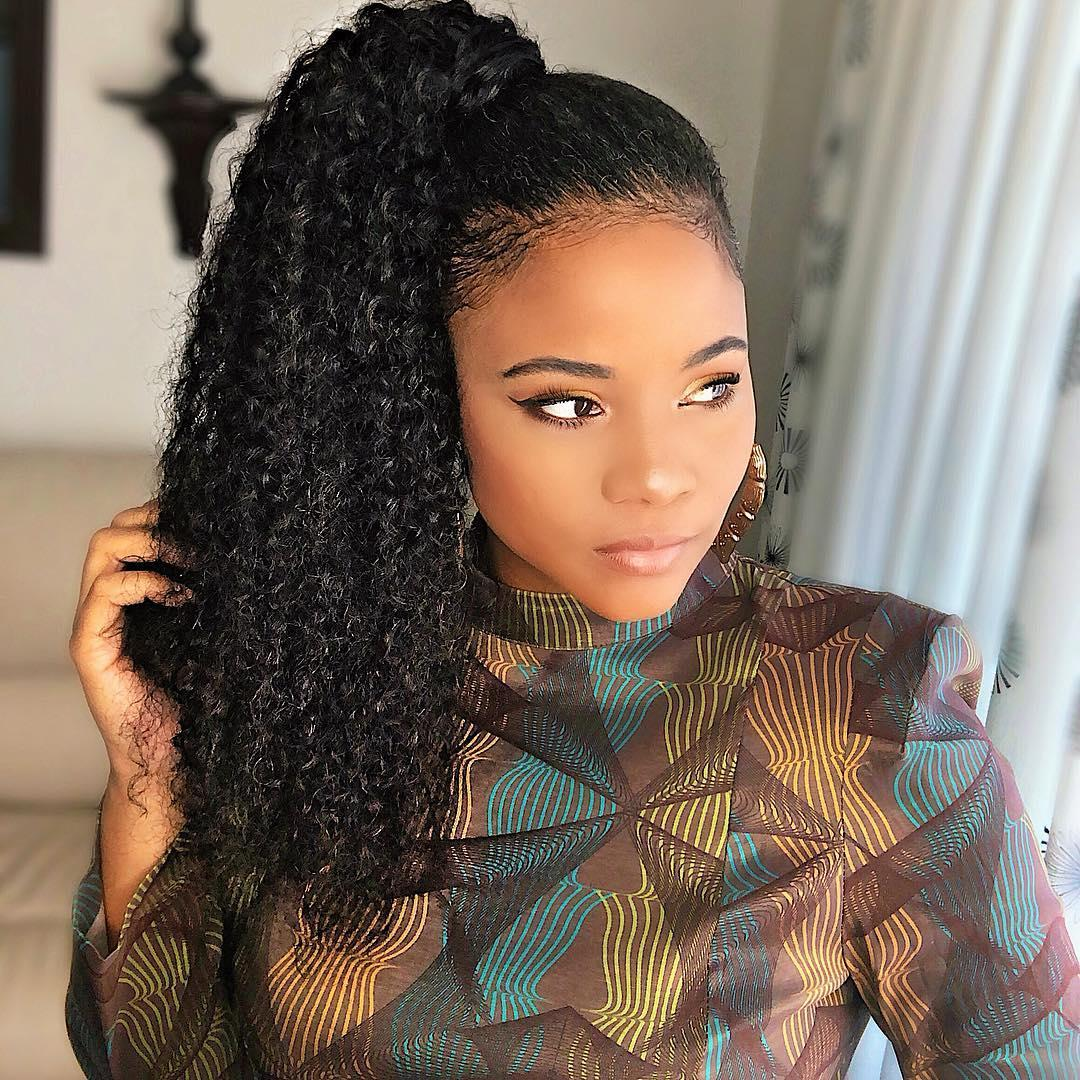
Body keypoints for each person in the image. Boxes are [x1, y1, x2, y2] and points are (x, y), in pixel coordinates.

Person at [63, 1, 1080, 1077]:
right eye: (567, 403)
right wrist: (147, 772)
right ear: (425, 400)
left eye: (711, 385)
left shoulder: (868, 702)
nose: (659, 473)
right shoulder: (312, 674)